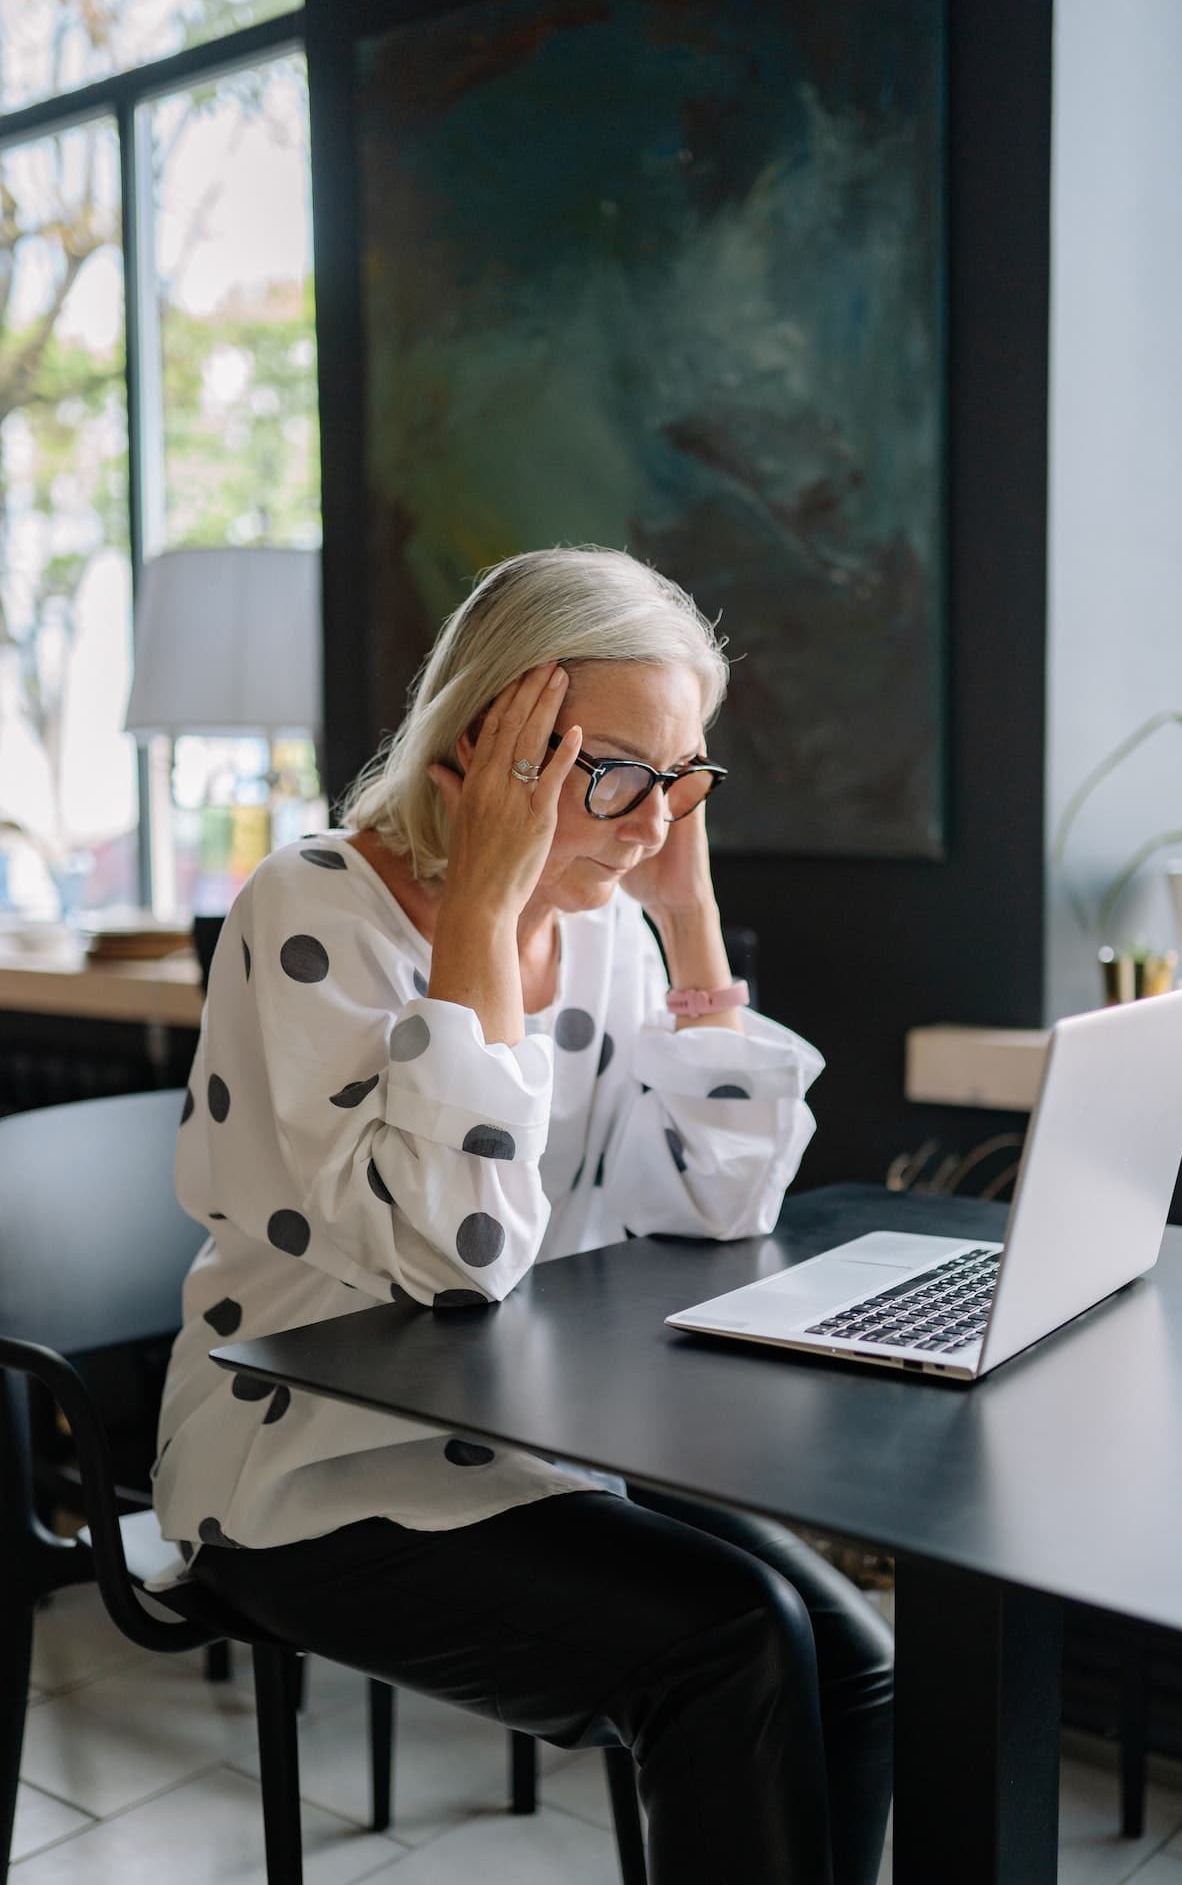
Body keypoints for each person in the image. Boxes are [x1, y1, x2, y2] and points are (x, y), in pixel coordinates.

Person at [154, 546, 893, 1885]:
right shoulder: (312, 910)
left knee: (852, 1657)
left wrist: (694, 919)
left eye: (681, 781)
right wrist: (481, 916)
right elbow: (458, 1262)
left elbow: (721, 1209)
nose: (651, 821)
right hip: (310, 1466)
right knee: (732, 1650)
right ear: (488, 737)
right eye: (613, 771)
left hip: (533, 1442)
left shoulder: (607, 922)